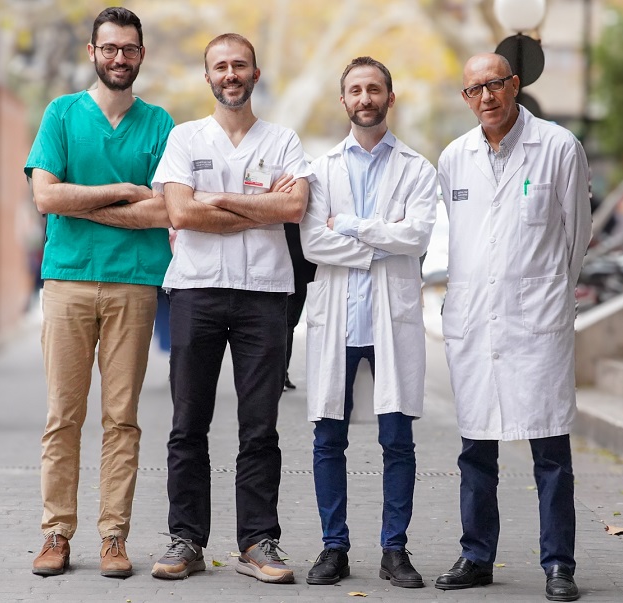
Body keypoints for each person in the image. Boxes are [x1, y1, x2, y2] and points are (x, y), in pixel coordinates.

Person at [149, 33, 312, 585]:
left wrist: (215, 199)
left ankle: (258, 541)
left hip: (265, 293)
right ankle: (186, 539)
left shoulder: (283, 139)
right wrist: (259, 207)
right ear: (208, 77)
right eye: (220, 66)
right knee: (187, 423)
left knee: (260, 426)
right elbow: (179, 212)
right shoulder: (184, 137)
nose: (230, 74)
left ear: (255, 74)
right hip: (196, 290)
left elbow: (294, 206)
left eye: (239, 65)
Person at [435, 53, 592, 602]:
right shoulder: (454, 158)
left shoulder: (558, 147)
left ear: (515, 85)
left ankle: (559, 564)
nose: (486, 97)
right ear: (465, 97)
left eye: (495, 84)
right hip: (476, 320)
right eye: (474, 89)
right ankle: (477, 556)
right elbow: (458, 241)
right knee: (476, 448)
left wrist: (547, 293)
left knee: (550, 451)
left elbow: (576, 237)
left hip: (537, 322)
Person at [25, 6, 174, 579]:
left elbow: (163, 209)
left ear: (141, 54)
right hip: (67, 280)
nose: (119, 57)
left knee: (122, 418)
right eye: (109, 48)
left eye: (129, 49)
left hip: (134, 284)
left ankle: (114, 535)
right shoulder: (62, 114)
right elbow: (46, 196)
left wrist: (81, 200)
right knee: (62, 414)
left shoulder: (159, 123)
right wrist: (123, 191)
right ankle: (56, 533)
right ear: (92, 52)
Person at [299, 56, 437, 588]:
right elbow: (314, 243)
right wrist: (381, 239)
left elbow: (417, 237)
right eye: (355, 90)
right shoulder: (320, 169)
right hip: (338, 318)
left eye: (374, 89)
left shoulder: (417, 168)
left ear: (389, 98)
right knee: (328, 439)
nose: (365, 98)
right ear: (344, 100)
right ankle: (334, 547)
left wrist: (353, 226)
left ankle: (394, 550)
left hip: (389, 321)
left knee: (397, 440)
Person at [283, 222, 316, 390]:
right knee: (288, 322)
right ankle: (281, 373)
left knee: (288, 322)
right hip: (306, 256)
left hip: (299, 255)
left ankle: (281, 373)